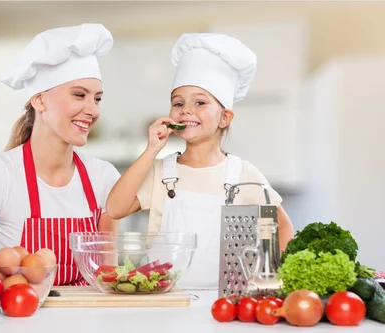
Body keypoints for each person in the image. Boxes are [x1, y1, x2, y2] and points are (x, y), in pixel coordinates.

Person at [106, 33, 295, 289]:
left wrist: (271, 280)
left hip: (225, 304)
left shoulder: (242, 173)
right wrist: (151, 150)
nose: (186, 109)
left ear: (225, 118)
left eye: (200, 102)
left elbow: (283, 226)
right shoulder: (162, 171)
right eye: (178, 103)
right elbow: (115, 209)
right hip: (167, 301)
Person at [0, 23, 121, 286]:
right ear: (39, 100)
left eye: (98, 98)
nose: (92, 109)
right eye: (79, 95)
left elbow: (108, 279)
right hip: (18, 321)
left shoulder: (103, 177)